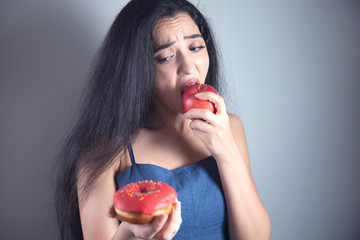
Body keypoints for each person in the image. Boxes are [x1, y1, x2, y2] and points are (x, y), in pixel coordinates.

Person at [54, 0, 271, 239]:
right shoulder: (102, 154)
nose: (188, 67)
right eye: (166, 57)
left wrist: (226, 150)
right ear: (137, 69)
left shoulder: (230, 128)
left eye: (196, 47)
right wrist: (132, 232)